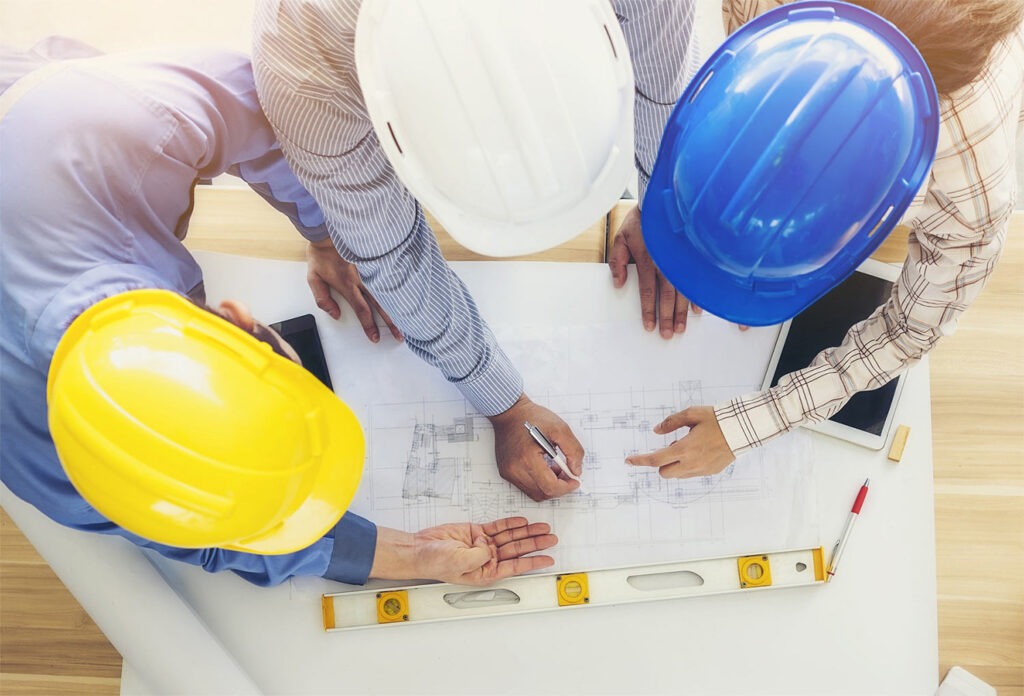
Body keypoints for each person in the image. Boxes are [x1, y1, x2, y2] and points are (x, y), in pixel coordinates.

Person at [0, 39, 557, 587]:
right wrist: (408, 558)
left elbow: (283, 119)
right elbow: (205, 533)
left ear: (238, 320)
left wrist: (327, 233)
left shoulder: (131, 121)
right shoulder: (54, 474)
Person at [252, 0, 698, 501]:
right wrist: (504, 406)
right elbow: (394, 254)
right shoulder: (305, 68)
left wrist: (663, 217)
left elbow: (664, 91)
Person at [610, 0, 1024, 477]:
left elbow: (909, 331)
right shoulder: (774, 15)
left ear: (872, 220)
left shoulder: (969, 186)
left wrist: (750, 426)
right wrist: (671, 209)